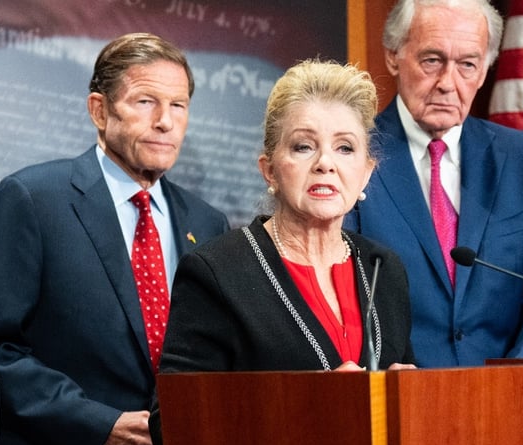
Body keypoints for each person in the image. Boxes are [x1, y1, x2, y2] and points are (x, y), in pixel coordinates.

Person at [0, 33, 229, 445]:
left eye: (179, 105)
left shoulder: (209, 224)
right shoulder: (33, 198)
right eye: (146, 101)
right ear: (99, 110)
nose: (165, 121)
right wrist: (98, 427)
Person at [344, 0, 523, 368]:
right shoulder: (351, 156)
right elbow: (340, 309)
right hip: (398, 401)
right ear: (393, 56)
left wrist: (505, 391)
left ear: (484, 71)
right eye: (432, 60)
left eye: (467, 64)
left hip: (505, 405)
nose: (448, 83)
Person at [156, 59, 416, 373]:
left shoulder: (384, 269)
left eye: (345, 148)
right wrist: (312, 402)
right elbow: (173, 417)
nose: (325, 163)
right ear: (270, 171)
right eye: (303, 146)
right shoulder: (216, 272)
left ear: (366, 172)